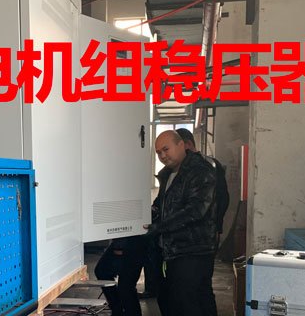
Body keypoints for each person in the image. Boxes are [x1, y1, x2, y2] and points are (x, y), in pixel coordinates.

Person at [146, 130, 218, 316]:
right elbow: (161, 205)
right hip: (174, 251)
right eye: (158, 152)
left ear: (182, 145)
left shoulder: (200, 171)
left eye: (166, 149)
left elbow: (196, 210)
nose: (162, 155)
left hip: (194, 250)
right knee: (175, 300)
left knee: (192, 303)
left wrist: (159, 227)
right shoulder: (168, 175)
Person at [175, 128, 230, 242]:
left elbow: (222, 198)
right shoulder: (176, 168)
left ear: (188, 144)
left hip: (204, 235)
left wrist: (216, 227)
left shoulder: (211, 165)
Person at [94, 235, 148, 316]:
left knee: (126, 286)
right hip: (124, 238)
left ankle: (127, 312)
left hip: (136, 241)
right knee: (102, 271)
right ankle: (118, 309)